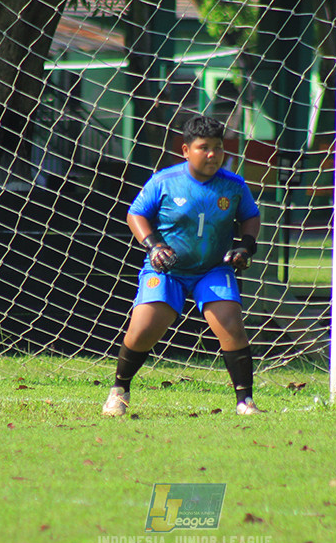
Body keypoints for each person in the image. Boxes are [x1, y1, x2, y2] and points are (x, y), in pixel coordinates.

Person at [103, 115, 263, 416]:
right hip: (168, 269)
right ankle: (119, 390)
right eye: (204, 147)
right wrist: (153, 245)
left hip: (213, 268)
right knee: (143, 329)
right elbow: (135, 214)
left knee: (230, 324)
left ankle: (245, 401)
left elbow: (251, 217)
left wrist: (246, 245)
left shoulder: (234, 185)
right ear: (186, 150)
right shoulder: (164, 181)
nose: (213, 154)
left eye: (218, 147)